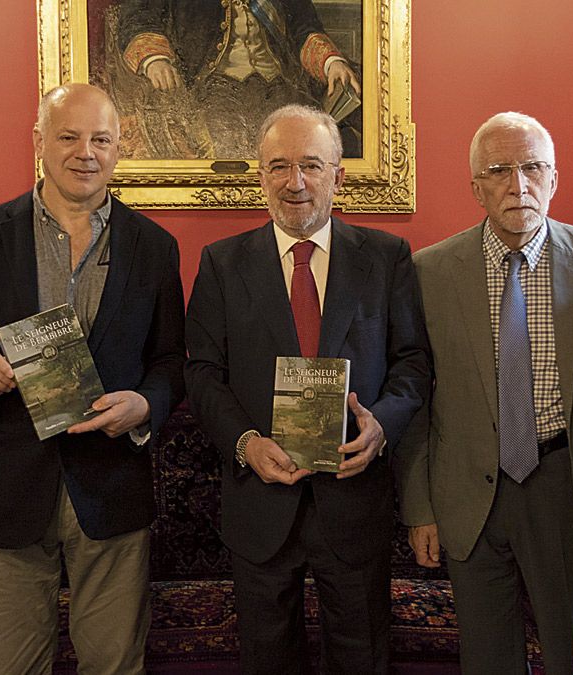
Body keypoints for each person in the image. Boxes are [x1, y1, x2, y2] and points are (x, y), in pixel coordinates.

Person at [0, 83, 185, 675]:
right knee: (18, 666)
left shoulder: (154, 248)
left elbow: (171, 360)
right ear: (40, 142)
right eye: (68, 137)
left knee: (115, 664)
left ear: (121, 148)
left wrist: (145, 404)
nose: (84, 152)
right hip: (5, 483)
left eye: (100, 139)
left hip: (111, 483)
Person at [183, 103, 430, 674]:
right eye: (279, 166)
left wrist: (382, 428)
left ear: (338, 175)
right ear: (261, 174)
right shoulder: (221, 263)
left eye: (311, 166)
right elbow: (202, 373)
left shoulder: (387, 258)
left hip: (354, 496)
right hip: (260, 501)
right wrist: (245, 443)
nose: (295, 183)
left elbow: (412, 362)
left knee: (363, 658)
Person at [393, 112, 573, 675]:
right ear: (475, 187)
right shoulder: (429, 271)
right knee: (486, 658)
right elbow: (415, 398)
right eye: (499, 170)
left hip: (565, 487)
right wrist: (420, 507)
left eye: (532, 168)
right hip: (466, 493)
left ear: (554, 179)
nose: (517, 185)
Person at [115, 0, 361, 157]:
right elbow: (138, 15)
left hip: (278, 86)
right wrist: (155, 58)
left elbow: (305, 27)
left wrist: (331, 63)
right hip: (210, 86)